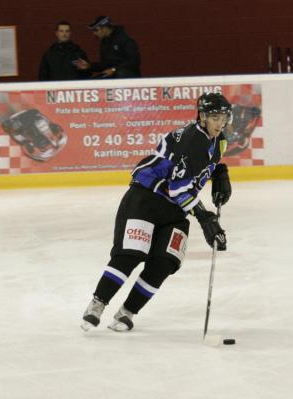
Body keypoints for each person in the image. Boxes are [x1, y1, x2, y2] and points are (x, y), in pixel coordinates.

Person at [81, 92, 233, 332]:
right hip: (146, 199)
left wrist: (219, 172)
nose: (220, 122)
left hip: (174, 209)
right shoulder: (193, 139)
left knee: (166, 261)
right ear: (202, 117)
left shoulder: (218, 140)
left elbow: (200, 165)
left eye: (223, 117)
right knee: (131, 253)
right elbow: (177, 188)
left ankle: (127, 312)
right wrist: (205, 217)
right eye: (214, 117)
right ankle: (97, 303)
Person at [74, 16, 141, 78]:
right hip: (113, 74)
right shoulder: (104, 43)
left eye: (96, 30)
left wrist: (114, 69)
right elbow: (105, 65)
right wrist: (89, 66)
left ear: (105, 28)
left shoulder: (124, 39)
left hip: (128, 76)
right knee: (93, 82)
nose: (94, 33)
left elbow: (134, 60)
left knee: (121, 73)